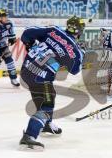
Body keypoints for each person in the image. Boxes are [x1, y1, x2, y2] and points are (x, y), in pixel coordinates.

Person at [19, 16, 85, 150]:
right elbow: (75, 70)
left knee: (45, 96)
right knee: (47, 105)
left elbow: (26, 34)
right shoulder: (74, 50)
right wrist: (82, 52)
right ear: (80, 31)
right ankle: (29, 136)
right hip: (41, 78)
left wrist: (30, 45)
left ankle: (46, 124)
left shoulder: (53, 30)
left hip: (26, 71)